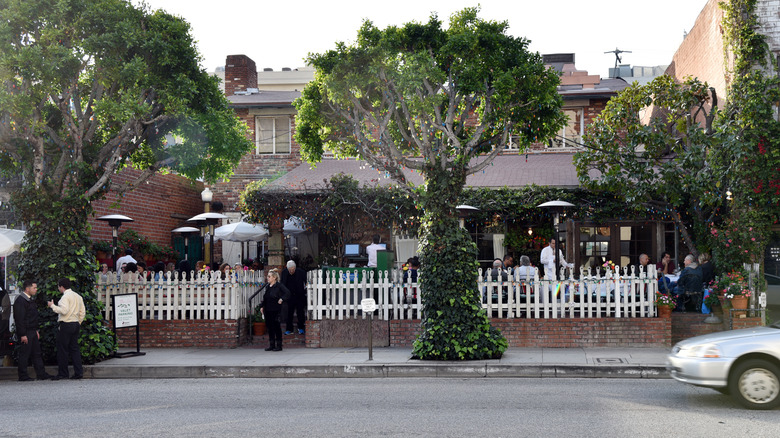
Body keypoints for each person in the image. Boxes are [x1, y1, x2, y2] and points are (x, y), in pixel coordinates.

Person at [14, 280, 53, 381]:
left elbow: (31, 317)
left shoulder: (29, 300)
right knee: (24, 354)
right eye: (34, 288)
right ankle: (23, 376)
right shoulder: (21, 301)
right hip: (26, 332)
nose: (36, 290)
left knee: (37, 353)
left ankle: (41, 374)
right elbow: (19, 319)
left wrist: (35, 330)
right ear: (27, 289)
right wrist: (22, 334)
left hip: (32, 331)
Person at [47, 278, 86, 380]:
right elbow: (82, 312)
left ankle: (63, 373)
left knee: (62, 350)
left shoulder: (65, 298)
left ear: (61, 287)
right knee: (74, 349)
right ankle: (78, 372)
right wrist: (78, 322)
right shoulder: (78, 296)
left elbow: (64, 311)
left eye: (58, 287)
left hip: (66, 324)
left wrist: (52, 306)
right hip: (75, 324)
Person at [260, 269, 290, 351]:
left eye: (269, 276)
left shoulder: (279, 286)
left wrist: (282, 299)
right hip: (268, 309)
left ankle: (279, 345)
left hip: (276, 309)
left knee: (276, 327)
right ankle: (271, 344)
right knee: (270, 327)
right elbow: (265, 298)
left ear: (274, 278)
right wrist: (262, 306)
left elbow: (287, 293)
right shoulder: (267, 287)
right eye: (267, 276)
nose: (267, 278)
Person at [282, 260, 307, 335]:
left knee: (300, 312)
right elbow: (282, 284)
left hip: (300, 295)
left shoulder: (301, 272)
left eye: (293, 269)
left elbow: (306, 281)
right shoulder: (284, 273)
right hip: (289, 296)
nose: (292, 271)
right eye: (290, 270)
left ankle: (301, 328)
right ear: (287, 269)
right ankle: (289, 329)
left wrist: (306, 287)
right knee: (289, 313)